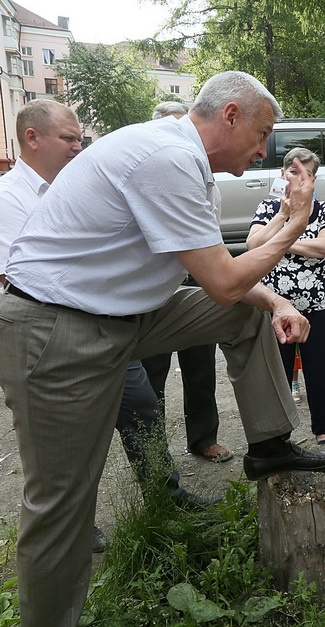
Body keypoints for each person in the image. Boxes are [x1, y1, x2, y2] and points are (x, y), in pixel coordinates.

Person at [0, 70, 325, 627]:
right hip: (56, 328)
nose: (265, 147)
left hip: (123, 316)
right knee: (60, 506)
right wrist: (294, 223)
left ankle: (270, 443)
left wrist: (277, 302)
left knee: (250, 311)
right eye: (262, 131)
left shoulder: (186, 162)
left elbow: (222, 283)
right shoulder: (164, 157)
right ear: (230, 114)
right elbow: (224, 279)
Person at [0, 100, 216, 553]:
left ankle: (165, 497)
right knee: (66, 446)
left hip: (110, 319)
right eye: (68, 139)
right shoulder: (7, 198)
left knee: (142, 411)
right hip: (57, 330)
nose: (78, 148)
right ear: (32, 138)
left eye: (81, 139)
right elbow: (18, 272)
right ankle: (77, 524)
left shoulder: (85, 180)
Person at [141, 100, 231, 464]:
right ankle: (153, 450)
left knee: (200, 365)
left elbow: (211, 239)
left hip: (196, 279)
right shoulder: (151, 173)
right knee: (151, 374)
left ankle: (203, 438)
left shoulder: (206, 182)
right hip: (154, 289)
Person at [248, 148, 325, 444]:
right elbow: (252, 245)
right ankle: (279, 434)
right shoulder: (268, 208)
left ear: (314, 180)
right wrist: (285, 217)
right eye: (294, 172)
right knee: (277, 374)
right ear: (282, 175)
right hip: (275, 307)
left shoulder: (324, 211)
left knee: (318, 370)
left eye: (308, 174)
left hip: (318, 305)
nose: (301, 179)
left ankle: (321, 430)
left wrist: (281, 241)